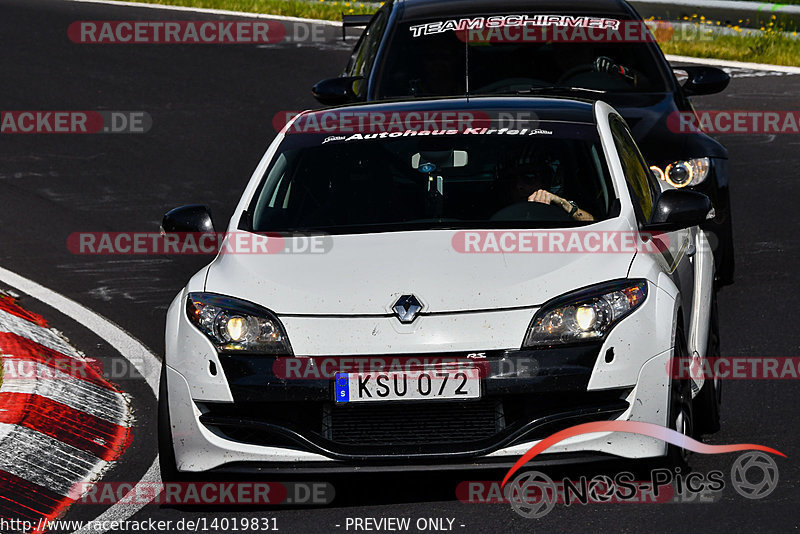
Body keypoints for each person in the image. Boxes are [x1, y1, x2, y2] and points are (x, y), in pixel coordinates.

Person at [501, 163, 594, 222]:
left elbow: (599, 229)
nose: (519, 186)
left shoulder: (560, 212)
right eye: (511, 179)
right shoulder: (491, 215)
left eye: (528, 178)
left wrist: (566, 206)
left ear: (545, 182)